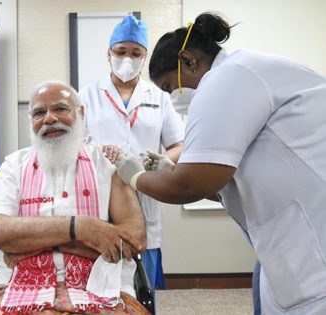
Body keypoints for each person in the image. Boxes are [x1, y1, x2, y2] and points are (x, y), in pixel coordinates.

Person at [115, 11, 326, 315]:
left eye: (169, 86)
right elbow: (223, 183)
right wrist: (168, 170)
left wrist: (135, 177)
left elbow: (190, 184)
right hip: (284, 239)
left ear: (188, 61)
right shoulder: (243, 73)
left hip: (310, 243)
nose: (173, 97)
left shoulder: (228, 77)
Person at [0, 80, 150, 315]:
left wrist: (32, 243)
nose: (49, 118)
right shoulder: (13, 166)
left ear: (80, 113)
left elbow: (134, 239)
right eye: (40, 112)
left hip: (99, 285)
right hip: (19, 284)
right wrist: (81, 228)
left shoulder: (107, 164)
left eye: (60, 109)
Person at [79, 14, 185, 295]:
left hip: (145, 193)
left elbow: (179, 144)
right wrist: (98, 153)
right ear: (109, 54)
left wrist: (156, 164)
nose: (128, 58)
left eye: (135, 53)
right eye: (121, 51)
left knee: (142, 284)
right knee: (99, 284)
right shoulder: (87, 96)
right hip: (99, 197)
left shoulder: (160, 97)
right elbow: (74, 147)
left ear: (144, 57)